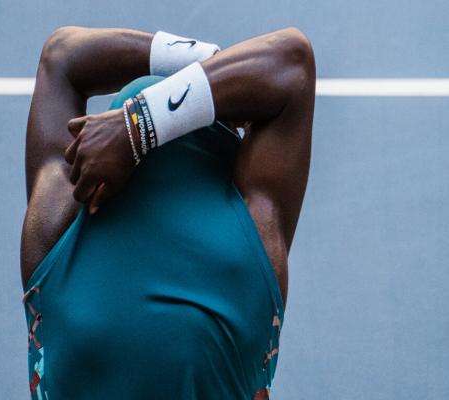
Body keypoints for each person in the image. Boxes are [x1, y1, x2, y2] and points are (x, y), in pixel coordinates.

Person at [20, 26, 315, 399]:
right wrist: (138, 126)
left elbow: (62, 56)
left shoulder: (57, 235)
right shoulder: (253, 245)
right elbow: (291, 62)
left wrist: (141, 122)